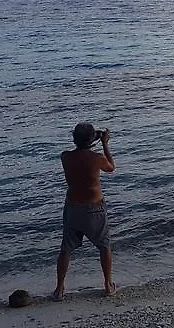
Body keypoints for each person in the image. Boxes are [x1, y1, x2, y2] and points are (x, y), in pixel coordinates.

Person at [54, 123, 116, 301]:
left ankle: (59, 289)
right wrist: (105, 144)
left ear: (74, 138)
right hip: (94, 208)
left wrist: (92, 140)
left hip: (73, 207)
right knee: (104, 246)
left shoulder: (65, 157)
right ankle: (108, 285)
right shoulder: (96, 158)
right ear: (92, 139)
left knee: (66, 249)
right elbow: (111, 167)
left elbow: (80, 152)